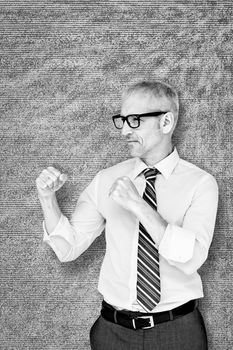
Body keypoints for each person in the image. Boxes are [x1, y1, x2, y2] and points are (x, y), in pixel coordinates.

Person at [36, 81, 218, 350]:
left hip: (178, 331)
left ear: (166, 122)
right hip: (113, 333)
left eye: (134, 120)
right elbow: (68, 249)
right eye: (121, 120)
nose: (124, 131)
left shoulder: (201, 183)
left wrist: (139, 206)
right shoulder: (106, 179)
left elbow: (192, 258)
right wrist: (47, 198)